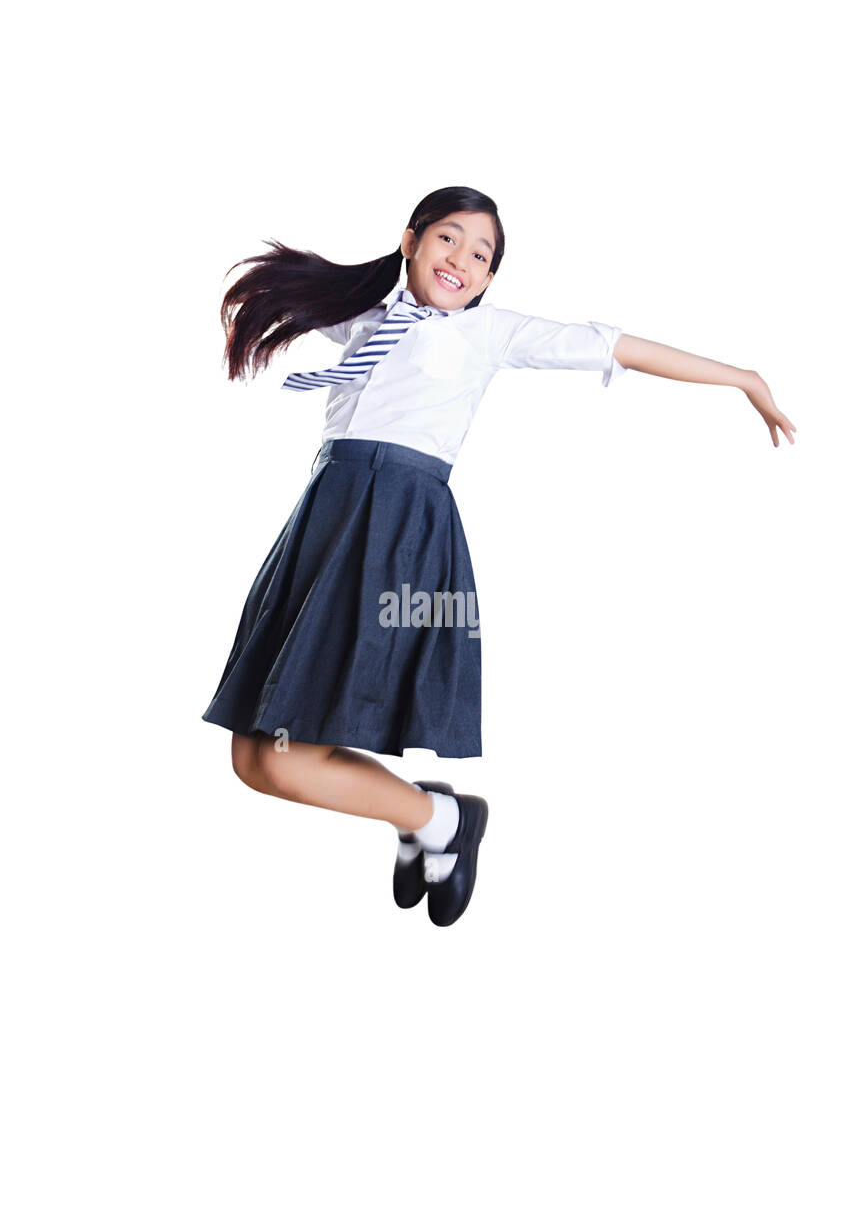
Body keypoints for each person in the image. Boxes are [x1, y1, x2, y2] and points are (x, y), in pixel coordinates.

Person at [202, 185, 797, 928]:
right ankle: (432, 818)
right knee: (255, 760)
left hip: (396, 533)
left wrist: (742, 378)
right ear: (412, 240)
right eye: (449, 238)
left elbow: (616, 346)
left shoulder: (490, 335)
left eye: (481, 255)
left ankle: (442, 823)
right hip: (325, 525)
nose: (462, 260)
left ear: (488, 280)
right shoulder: (363, 320)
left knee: (286, 756)